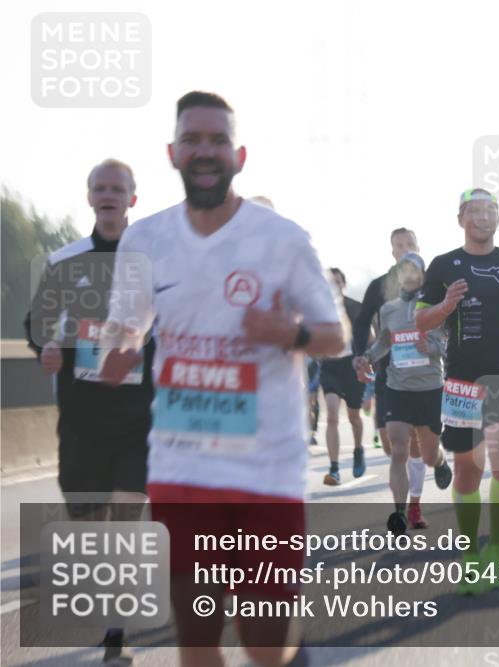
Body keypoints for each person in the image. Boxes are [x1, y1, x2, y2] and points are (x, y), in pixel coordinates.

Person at [99, 90, 344, 667]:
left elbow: (334, 336)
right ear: (172, 152)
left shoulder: (283, 239)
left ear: (239, 155)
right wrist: (118, 350)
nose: (204, 151)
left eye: (217, 141)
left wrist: (291, 333)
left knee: (265, 642)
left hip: (266, 469)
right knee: (198, 636)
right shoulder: (144, 241)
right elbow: (124, 326)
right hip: (182, 466)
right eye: (192, 140)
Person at [25, 158, 152, 667]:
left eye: (117, 188)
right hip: (81, 418)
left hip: (138, 416)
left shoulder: (152, 263)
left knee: (125, 515)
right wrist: (47, 349)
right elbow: (37, 324)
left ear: (131, 199)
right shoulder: (64, 261)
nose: (108, 195)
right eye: (100, 187)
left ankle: (117, 631)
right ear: (89, 197)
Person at [415, 188, 499, 594]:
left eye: (489, 210)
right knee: (468, 471)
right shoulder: (443, 265)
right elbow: (421, 321)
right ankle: (470, 554)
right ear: (461, 219)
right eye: (474, 211)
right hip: (461, 379)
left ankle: (498, 548)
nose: (482, 217)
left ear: (498, 218)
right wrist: (445, 306)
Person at [357, 252, 453, 534]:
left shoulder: (435, 308)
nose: (408, 275)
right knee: (398, 450)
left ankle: (441, 461)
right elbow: (384, 342)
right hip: (398, 388)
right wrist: (367, 357)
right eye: (403, 270)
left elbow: (447, 346)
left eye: (414, 270)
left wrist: (430, 348)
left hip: (429, 389)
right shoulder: (389, 309)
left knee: (428, 455)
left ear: (422, 275)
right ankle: (400, 512)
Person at [352, 228, 420, 454]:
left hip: (424, 369)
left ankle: (422, 471)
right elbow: (362, 322)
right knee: (389, 443)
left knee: (416, 438)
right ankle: (408, 467)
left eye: (409, 245)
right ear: (393, 252)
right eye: (400, 245)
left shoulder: (431, 283)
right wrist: (361, 355)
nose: (405, 250)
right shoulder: (379, 285)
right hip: (388, 367)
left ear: (418, 248)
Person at [319, 268, 367, 484]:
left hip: (351, 366)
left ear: (343, 284)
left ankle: (358, 450)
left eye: (337, 281)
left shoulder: (354, 307)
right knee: (331, 415)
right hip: (329, 366)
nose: (333, 286)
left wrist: (364, 359)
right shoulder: (319, 309)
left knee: (354, 416)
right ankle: (334, 468)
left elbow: (369, 336)